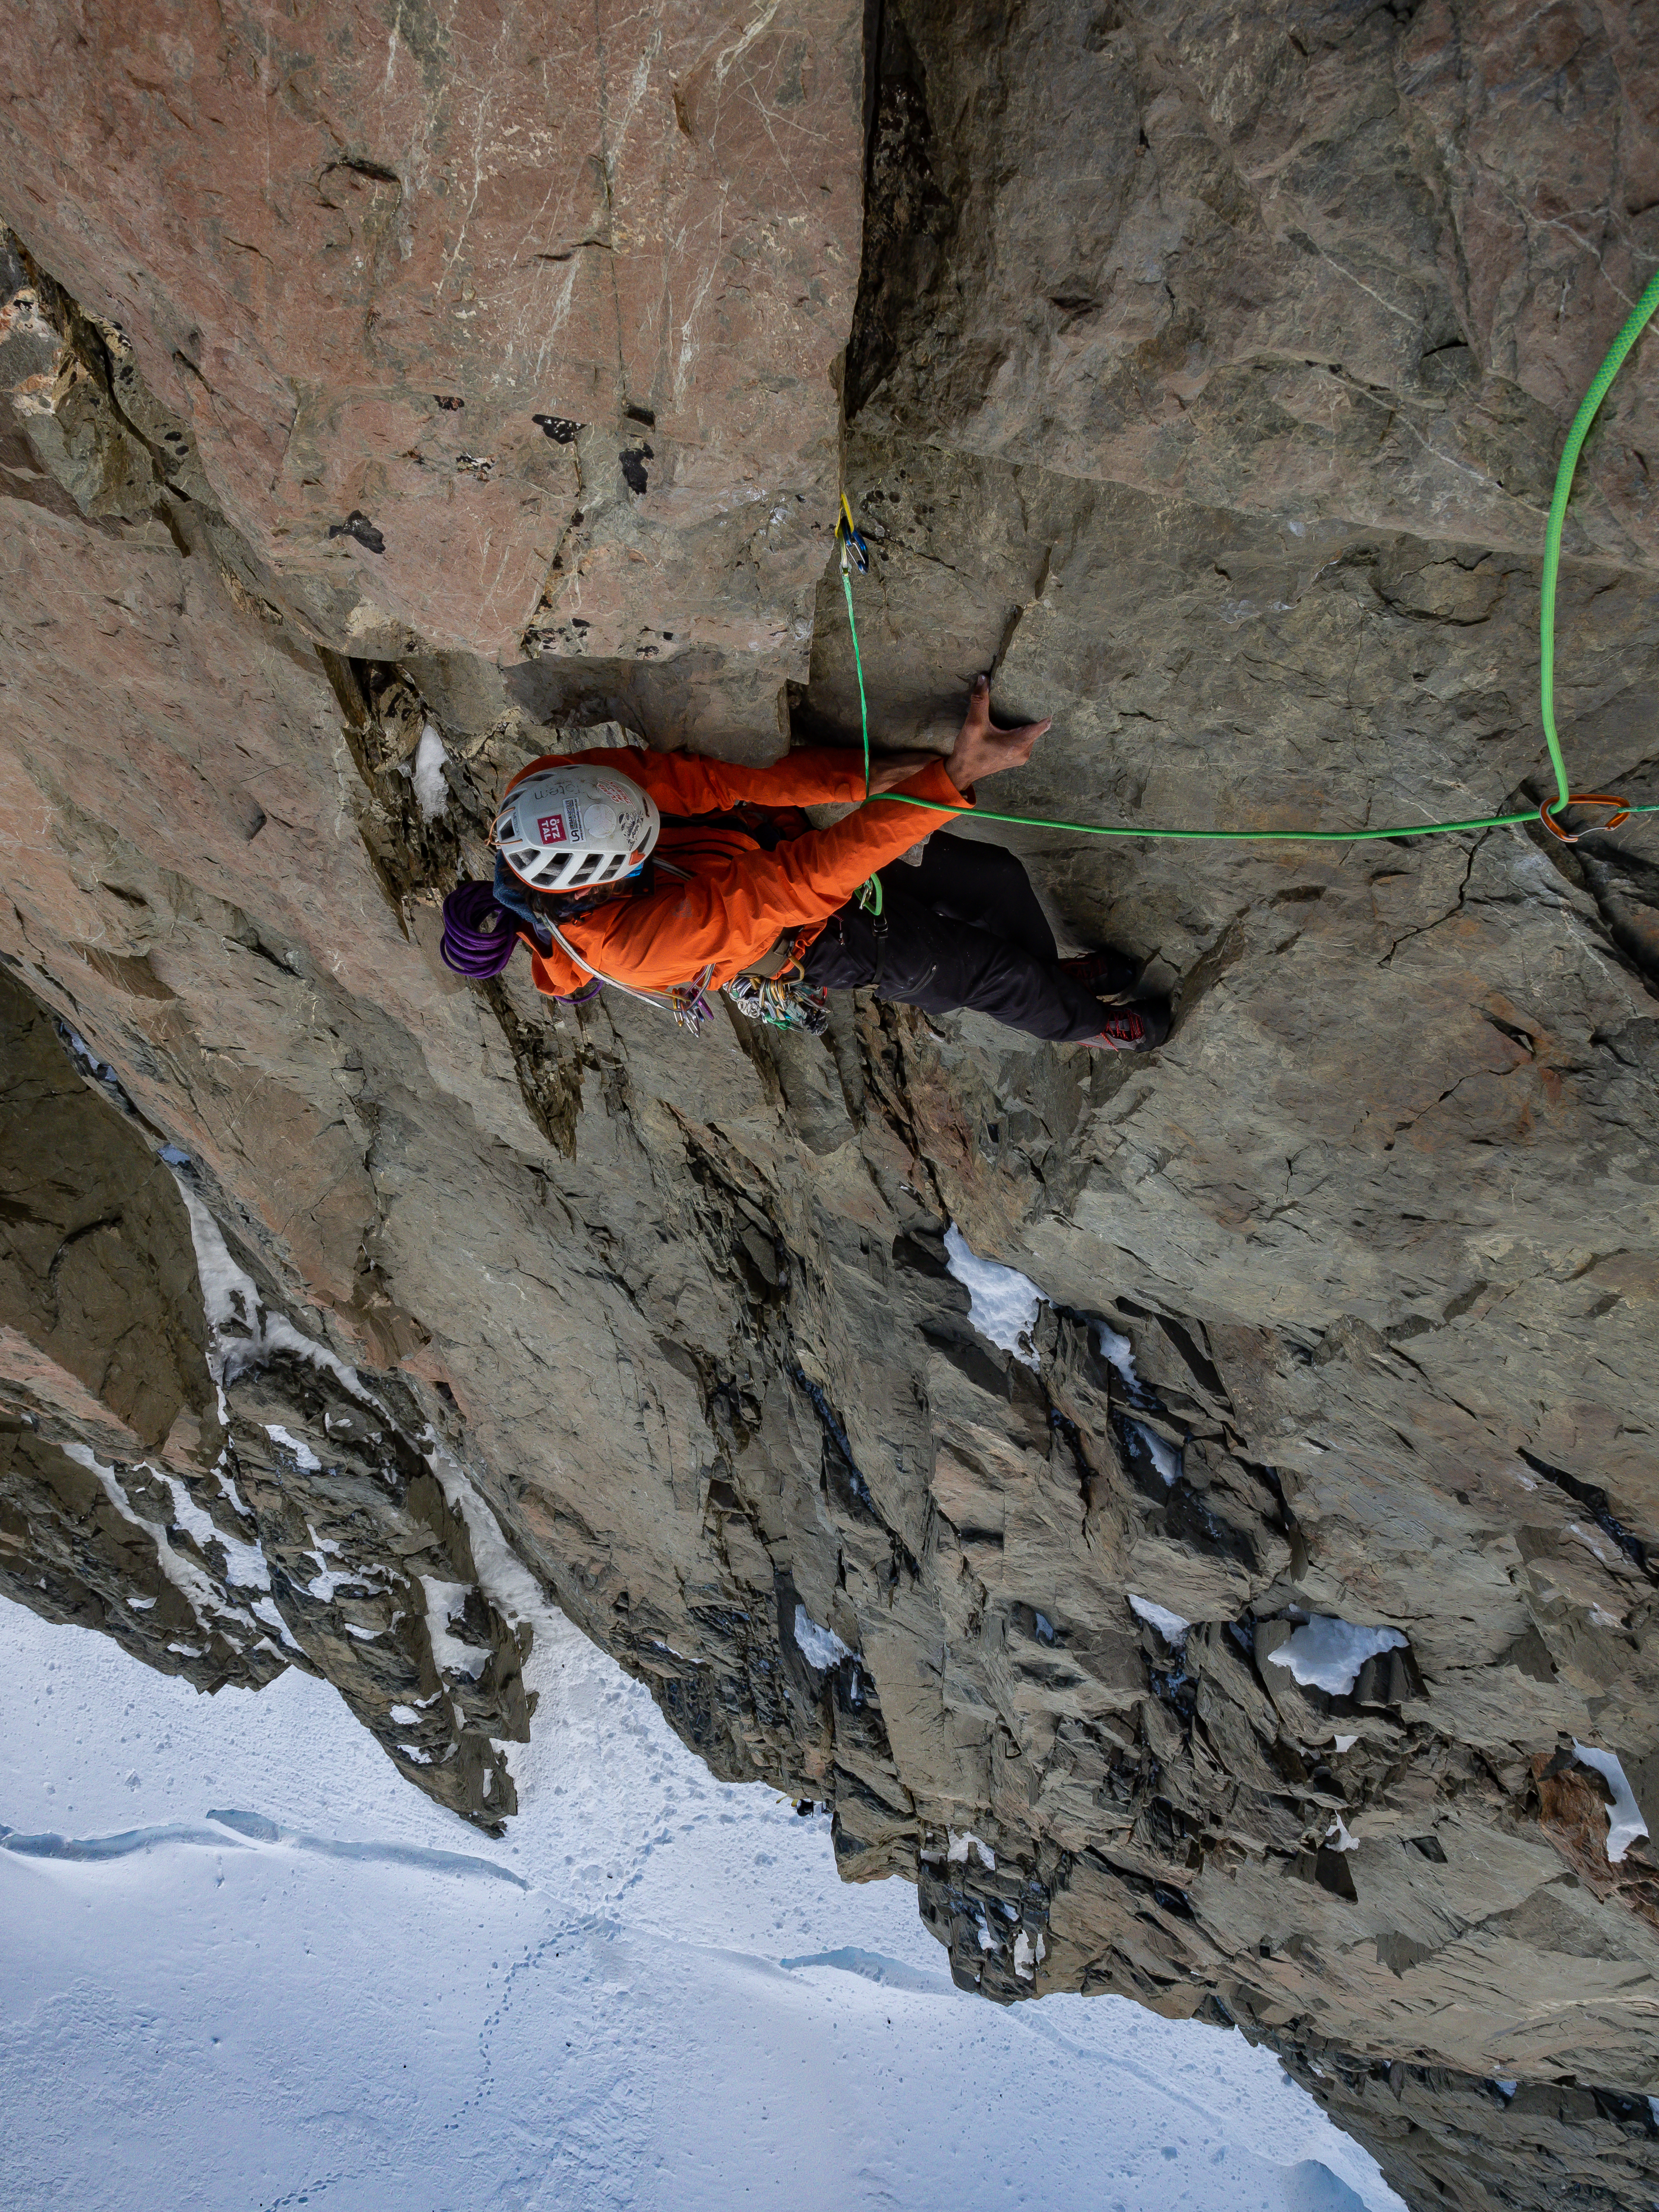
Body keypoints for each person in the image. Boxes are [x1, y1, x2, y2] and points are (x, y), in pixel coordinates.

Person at [441, 675, 1170, 1050]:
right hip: (819, 940)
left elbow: (716, 785)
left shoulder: (555, 792)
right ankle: (1086, 1028)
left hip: (781, 858)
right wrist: (947, 784)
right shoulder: (632, 947)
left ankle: (1054, 984)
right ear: (605, 876)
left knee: (993, 880)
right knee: (986, 975)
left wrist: (862, 780)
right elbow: (792, 890)